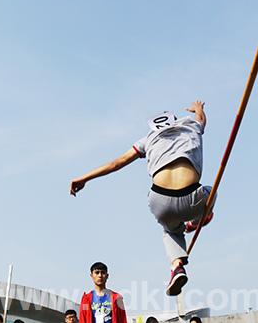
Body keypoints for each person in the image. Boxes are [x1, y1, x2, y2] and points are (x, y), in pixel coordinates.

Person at [70, 101, 216, 296]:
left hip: (161, 201)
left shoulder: (148, 139)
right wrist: (198, 108)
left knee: (170, 231)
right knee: (212, 192)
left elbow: (116, 163)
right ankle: (196, 221)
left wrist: (84, 178)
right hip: (193, 197)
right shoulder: (190, 126)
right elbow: (201, 120)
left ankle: (177, 266)